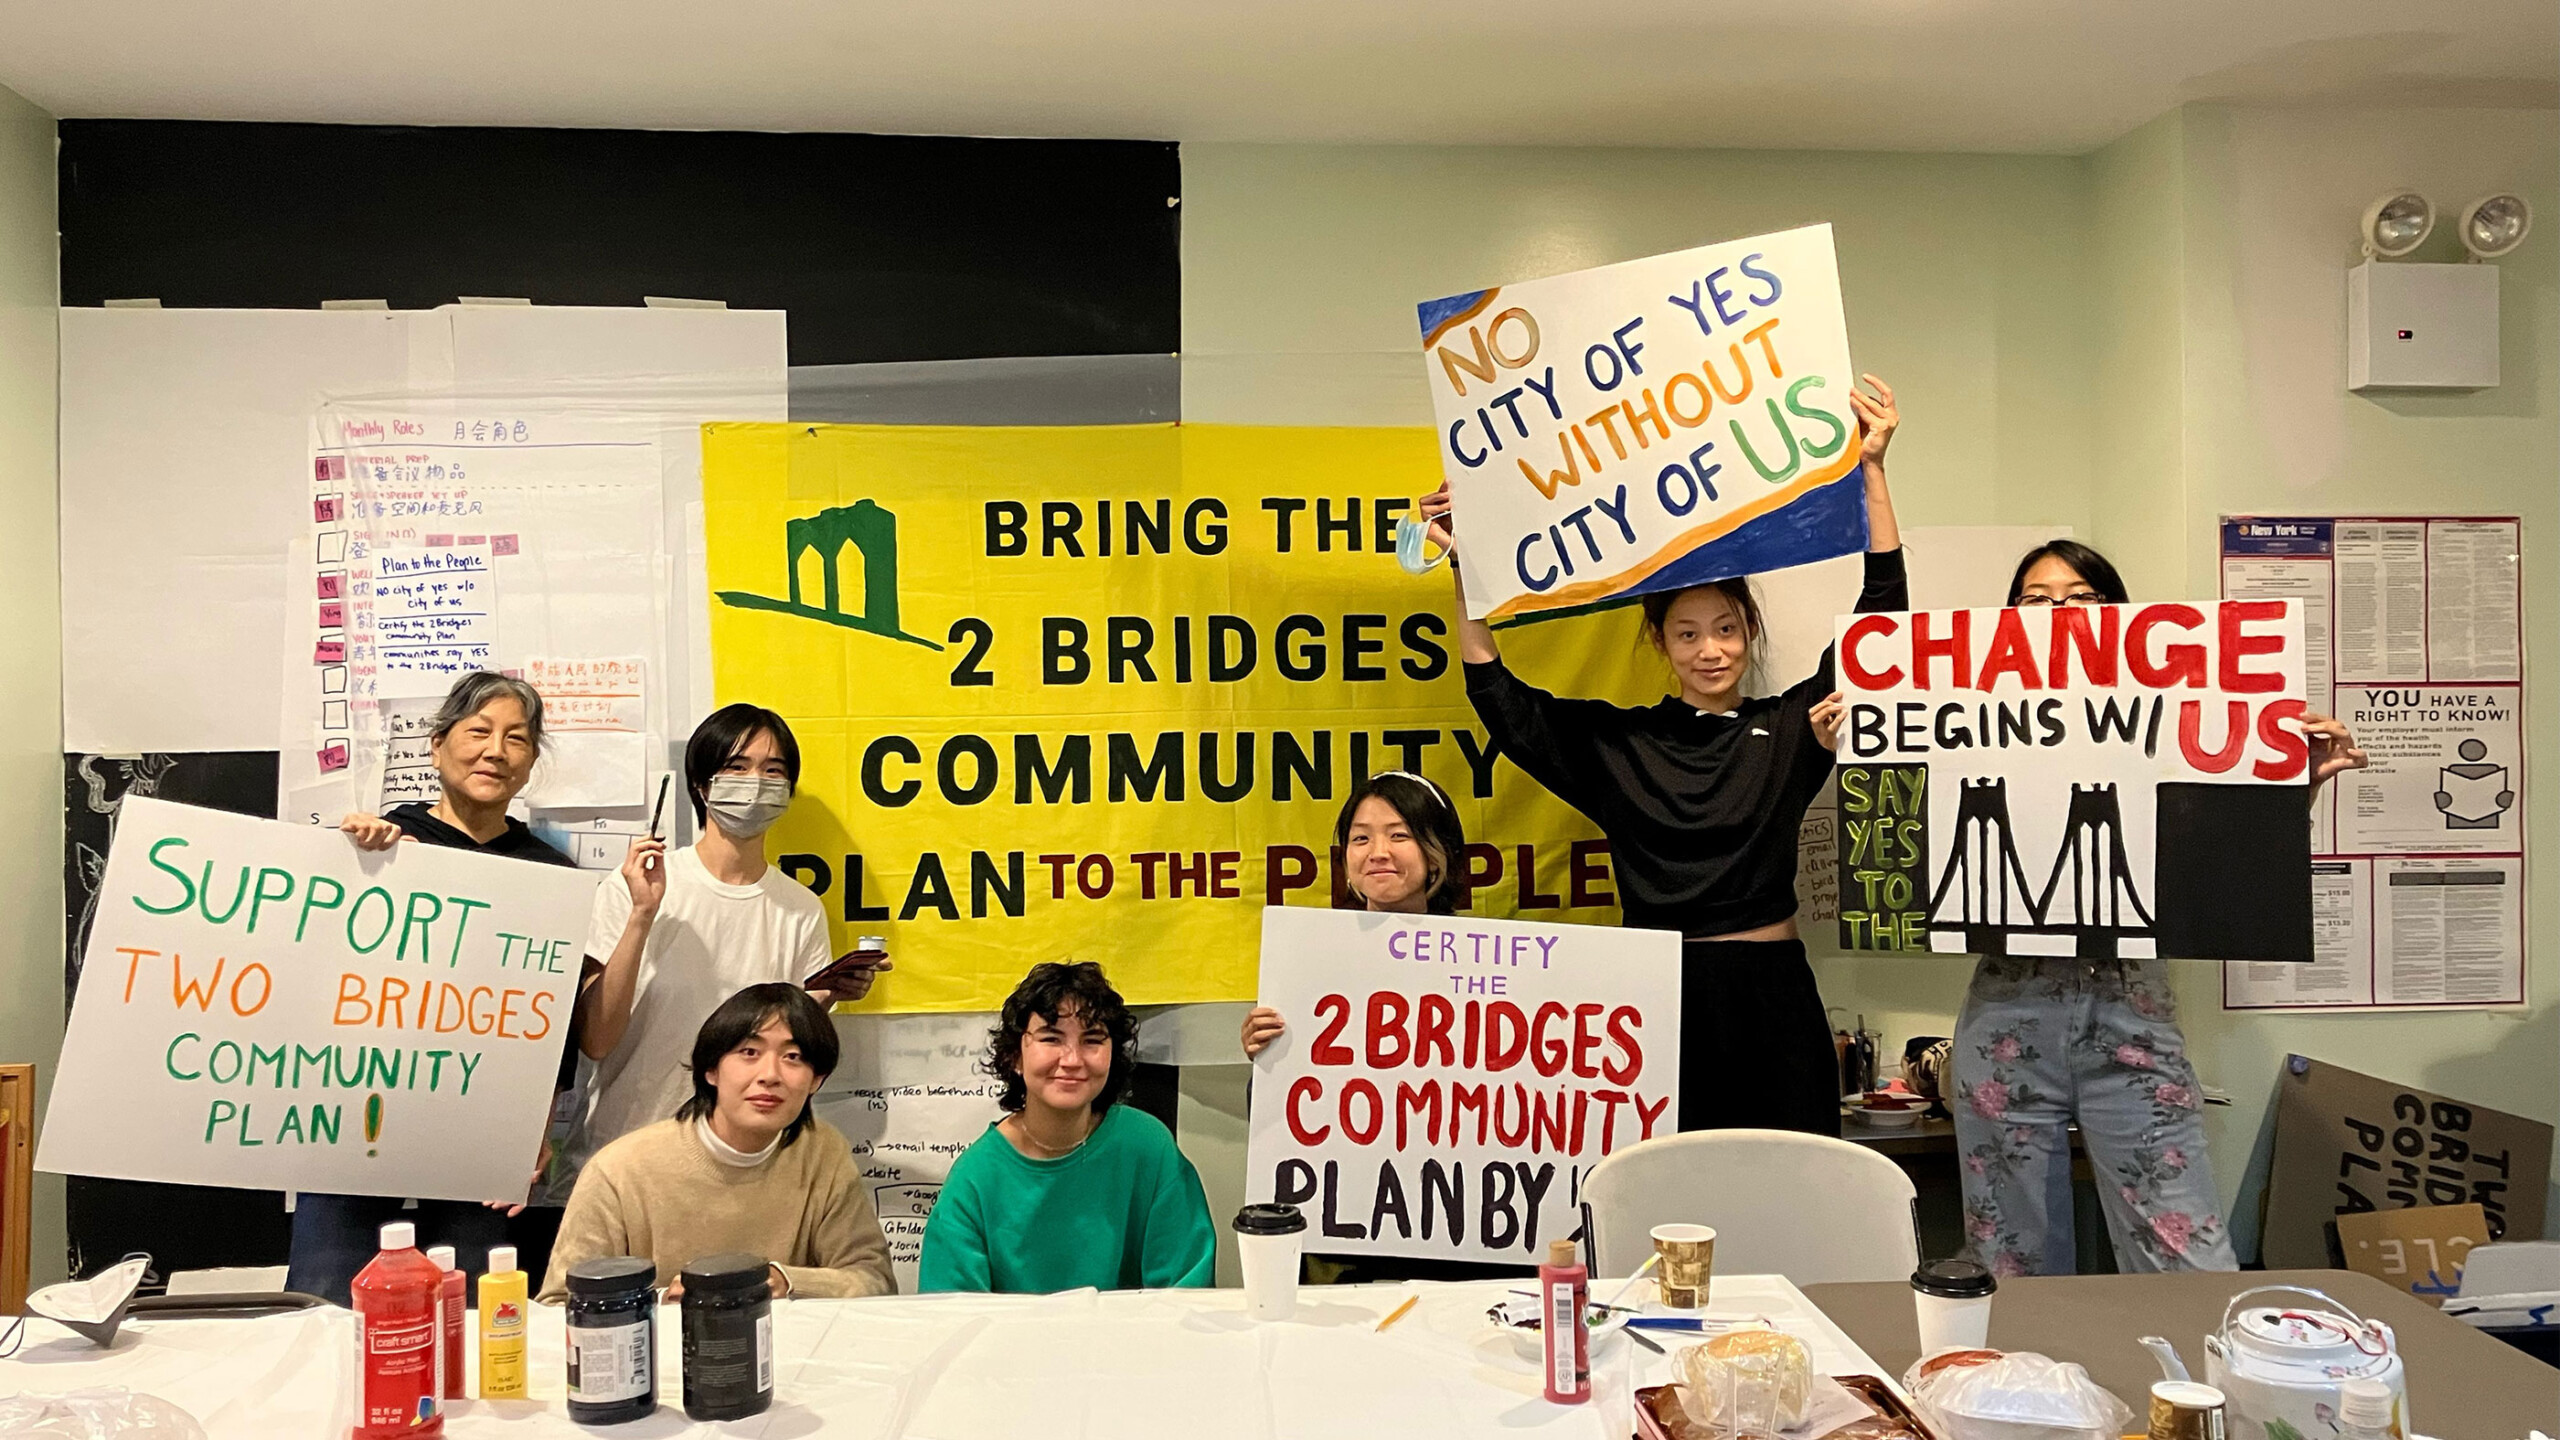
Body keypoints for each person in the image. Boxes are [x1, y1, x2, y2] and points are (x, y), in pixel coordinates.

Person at [1424, 375, 1907, 1138]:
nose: (1710, 650)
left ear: (1747, 633)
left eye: (1725, 629)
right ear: (1661, 642)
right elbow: (1499, 699)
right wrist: (1466, 567)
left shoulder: (1795, 727)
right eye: (1688, 633)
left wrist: (1872, 470)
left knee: (1801, 1190)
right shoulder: (1623, 746)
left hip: (1774, 994)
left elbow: (1882, 621)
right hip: (1657, 998)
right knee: (1668, 1205)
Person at [1927, 538, 2369, 1276]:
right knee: (2009, 1260)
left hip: (2129, 1011)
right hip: (2007, 1011)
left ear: (2117, 614)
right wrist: (1860, 746)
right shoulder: (1968, 718)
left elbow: (2215, 855)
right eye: (2036, 598)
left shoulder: (2170, 720)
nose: (2059, 612)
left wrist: (2295, 788)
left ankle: (2195, 1394)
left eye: (2081, 598)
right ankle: (2030, 1393)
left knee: (2184, 1257)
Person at [290, 671, 585, 1306]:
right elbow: (309, 976)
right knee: (324, 1312)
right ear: (437, 744)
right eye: (478, 731)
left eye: (517, 738)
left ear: (532, 761)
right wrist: (347, 863)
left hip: (477, 1132)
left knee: (477, 1316)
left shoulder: (550, 877)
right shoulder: (379, 846)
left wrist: (532, 1125)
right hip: (352, 1115)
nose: (495, 751)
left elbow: (547, 1020)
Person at [556, 703, 888, 1194]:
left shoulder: (800, 907)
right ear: (701, 784)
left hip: (749, 1167)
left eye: (773, 770)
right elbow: (597, 1040)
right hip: (630, 1160)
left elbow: (793, 1047)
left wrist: (832, 994)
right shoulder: (636, 887)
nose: (756, 781)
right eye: (737, 766)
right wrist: (643, 913)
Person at [539, 983, 894, 1301]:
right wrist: (659, 1306)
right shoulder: (620, 1170)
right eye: (749, 1053)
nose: (769, 1075)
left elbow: (873, 1280)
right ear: (710, 1070)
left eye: (793, 1057)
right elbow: (559, 1304)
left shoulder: (823, 1155)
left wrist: (781, 1281)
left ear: (816, 1079)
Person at [918, 961, 1215, 1294]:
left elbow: (1186, 1292)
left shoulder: (1148, 1147)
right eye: (1051, 1038)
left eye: (1092, 1040)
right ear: (1015, 1055)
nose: (1072, 1059)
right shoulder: (975, 1177)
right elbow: (948, 1313)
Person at [1238, 769, 1468, 1060]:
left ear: (1436, 855)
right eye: (1361, 838)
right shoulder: (1307, 956)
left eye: (1399, 835)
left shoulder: (1477, 959)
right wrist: (1266, 1052)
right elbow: (1286, 1088)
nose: (1378, 852)